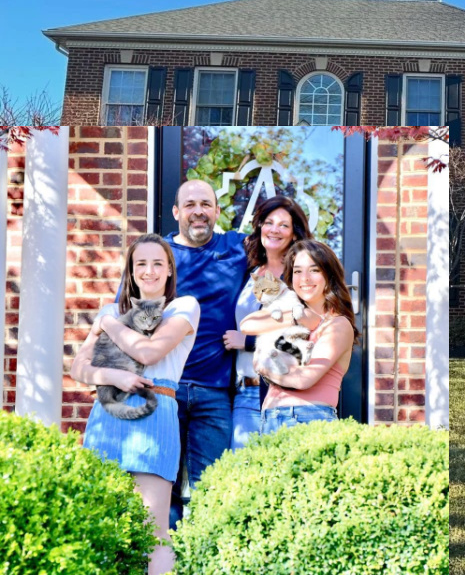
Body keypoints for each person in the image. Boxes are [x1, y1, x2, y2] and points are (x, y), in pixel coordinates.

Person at [71, 233, 200, 575]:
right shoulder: (112, 310)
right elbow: (78, 368)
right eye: (141, 263)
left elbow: (149, 352)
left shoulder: (183, 307)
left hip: (155, 412)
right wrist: (113, 377)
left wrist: (107, 325)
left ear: (170, 270)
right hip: (107, 416)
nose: (149, 271)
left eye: (158, 263)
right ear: (130, 270)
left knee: (152, 530)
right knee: (99, 524)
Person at [165, 179, 249, 526]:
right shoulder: (157, 256)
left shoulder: (238, 248)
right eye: (189, 205)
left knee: (211, 490)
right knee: (160, 487)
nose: (198, 211)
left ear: (217, 211)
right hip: (164, 389)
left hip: (215, 392)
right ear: (176, 212)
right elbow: (126, 310)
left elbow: (280, 276)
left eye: (205, 204)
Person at [240, 239, 357, 434]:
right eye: (297, 271)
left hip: (309, 418)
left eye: (314, 270)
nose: (305, 278)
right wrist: (298, 319)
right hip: (270, 418)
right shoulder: (289, 312)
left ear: (329, 274)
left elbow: (304, 380)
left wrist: (265, 369)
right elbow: (247, 324)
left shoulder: (338, 325)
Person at [224, 195, 311, 449]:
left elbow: (306, 328)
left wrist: (248, 341)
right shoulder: (250, 273)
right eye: (269, 222)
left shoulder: (301, 274)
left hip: (284, 392)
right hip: (245, 392)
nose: (275, 229)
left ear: (294, 234)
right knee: (242, 473)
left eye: (284, 225)